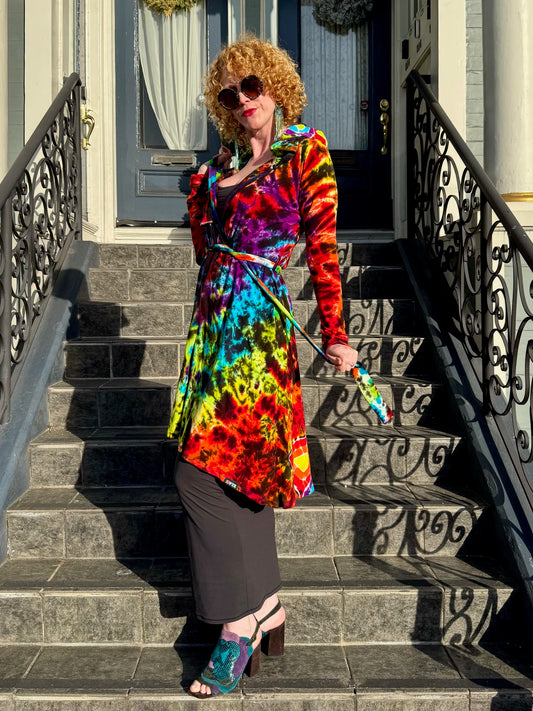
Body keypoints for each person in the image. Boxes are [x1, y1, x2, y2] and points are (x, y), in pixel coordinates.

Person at [167, 34, 359, 698]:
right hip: (213, 328)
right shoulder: (218, 166)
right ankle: (268, 606)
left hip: (258, 332)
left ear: (275, 85)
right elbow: (206, 250)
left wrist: (335, 332)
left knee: (196, 473)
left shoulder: (305, 150)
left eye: (252, 85)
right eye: (230, 93)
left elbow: (323, 246)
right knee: (238, 472)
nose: (243, 99)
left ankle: (237, 622)